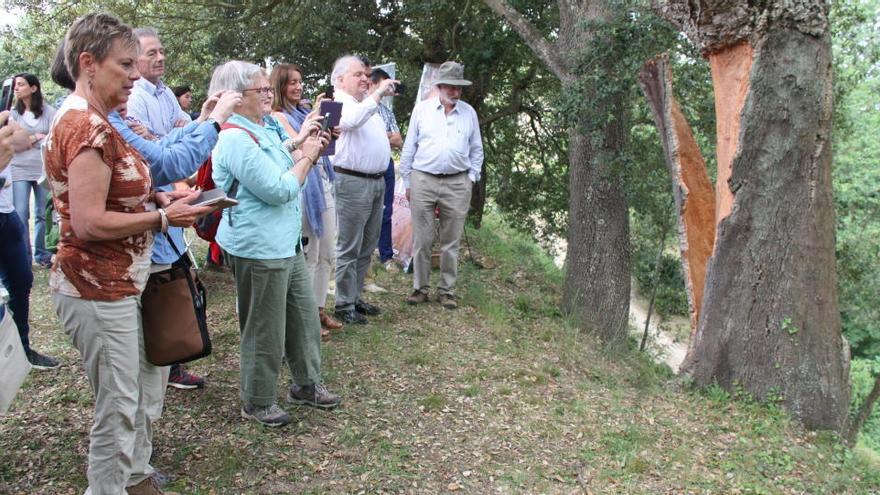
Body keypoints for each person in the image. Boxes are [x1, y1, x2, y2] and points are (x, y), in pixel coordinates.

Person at [43, 13, 211, 495]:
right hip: (95, 286)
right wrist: (161, 219)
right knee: (116, 408)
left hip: (125, 280)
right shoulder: (84, 125)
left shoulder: (103, 119)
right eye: (125, 65)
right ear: (88, 63)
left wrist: (155, 198)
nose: (136, 75)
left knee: (142, 383)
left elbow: (117, 189)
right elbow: (90, 221)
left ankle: (136, 479)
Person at [210, 60, 341, 427]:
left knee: (302, 317)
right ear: (235, 98)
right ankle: (258, 399)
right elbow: (280, 188)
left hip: (285, 243)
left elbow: (278, 152)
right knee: (265, 327)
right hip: (258, 247)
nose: (269, 94)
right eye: (261, 90)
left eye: (269, 88)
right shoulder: (234, 138)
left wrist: (298, 142)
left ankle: (306, 384)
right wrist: (311, 155)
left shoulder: (262, 125)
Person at [128, 26, 205, 390]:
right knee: (159, 285)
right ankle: (163, 360)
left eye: (162, 51)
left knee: (173, 275)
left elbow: (182, 133)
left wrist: (184, 132)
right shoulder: (135, 97)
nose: (159, 58)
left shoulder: (164, 94)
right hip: (149, 205)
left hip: (167, 200)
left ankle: (171, 359)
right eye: (150, 53)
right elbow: (155, 153)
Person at [400, 61, 484, 309]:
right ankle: (420, 288)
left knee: (451, 240)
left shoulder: (469, 113)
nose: (455, 92)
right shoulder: (422, 110)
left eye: (459, 88)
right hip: (423, 178)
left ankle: (447, 290)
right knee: (422, 239)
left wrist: (471, 178)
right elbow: (409, 147)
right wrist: (407, 180)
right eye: (450, 87)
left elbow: (477, 150)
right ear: (439, 86)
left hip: (458, 182)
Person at [270, 63, 343, 337]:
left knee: (327, 252)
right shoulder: (278, 116)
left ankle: (319, 308)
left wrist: (329, 133)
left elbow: (320, 148)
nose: (298, 87)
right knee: (309, 255)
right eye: (292, 83)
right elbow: (297, 145)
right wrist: (315, 118)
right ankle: (304, 317)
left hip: (322, 181)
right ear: (280, 86)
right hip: (304, 189)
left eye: (300, 82)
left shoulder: (303, 112)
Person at [329, 55, 398, 325]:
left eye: (366, 75)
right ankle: (343, 303)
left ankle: (355, 297)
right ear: (340, 79)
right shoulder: (336, 104)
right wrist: (378, 93)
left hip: (376, 181)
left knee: (367, 244)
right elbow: (349, 122)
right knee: (349, 244)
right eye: (358, 74)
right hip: (352, 181)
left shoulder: (364, 104)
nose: (365, 79)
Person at [0, 110, 59, 370]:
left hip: (5, 212)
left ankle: (21, 349)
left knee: (22, 281)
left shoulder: (7, 117)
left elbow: (22, 141)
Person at [9, 73, 56, 268]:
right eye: (15, 85)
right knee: (20, 213)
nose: (16, 88)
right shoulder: (12, 114)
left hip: (42, 168)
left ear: (34, 88)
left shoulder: (49, 112)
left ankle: (42, 255)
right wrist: (36, 137)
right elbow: (12, 143)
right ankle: (24, 258)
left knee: (41, 213)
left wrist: (28, 140)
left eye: (21, 84)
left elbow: (54, 138)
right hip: (18, 168)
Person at [369, 68, 403, 272]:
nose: (388, 89)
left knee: (386, 211)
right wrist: (384, 135)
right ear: (374, 83)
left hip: (386, 164)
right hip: (365, 168)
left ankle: (386, 255)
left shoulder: (386, 111)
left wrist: (381, 135)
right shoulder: (362, 107)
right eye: (385, 84)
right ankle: (366, 253)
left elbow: (398, 140)